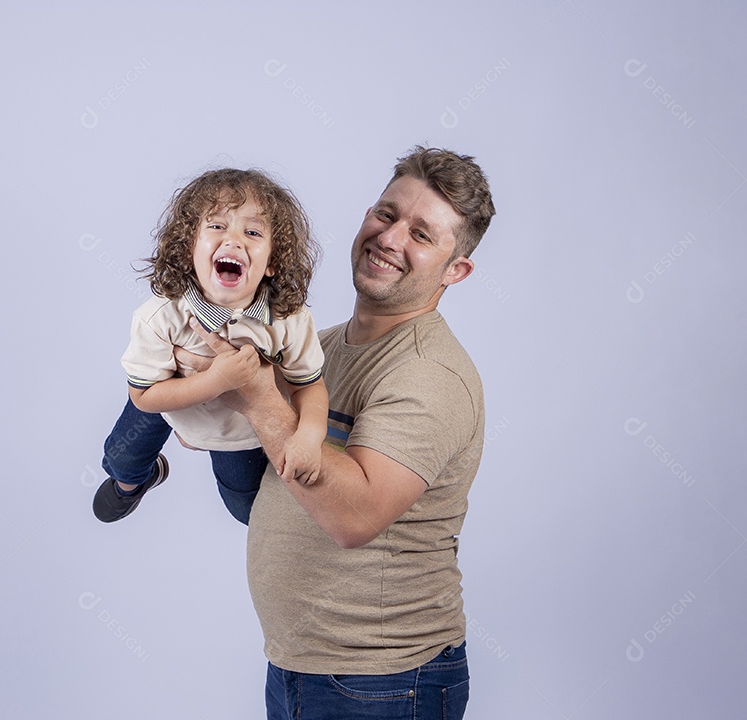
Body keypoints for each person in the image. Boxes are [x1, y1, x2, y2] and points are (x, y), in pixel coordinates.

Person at [184, 147, 495, 719]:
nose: (391, 238)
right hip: (299, 666)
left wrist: (255, 395)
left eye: (421, 234)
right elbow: (268, 490)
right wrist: (211, 401)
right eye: (386, 213)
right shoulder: (319, 350)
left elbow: (352, 518)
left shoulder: (429, 374)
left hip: (384, 681)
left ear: (457, 270)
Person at [92, 168, 328, 525]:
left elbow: (308, 385)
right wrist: (216, 381)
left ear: (272, 262)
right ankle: (137, 481)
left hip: (237, 429)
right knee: (122, 460)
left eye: (252, 232)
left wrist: (310, 435)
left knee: (246, 510)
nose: (233, 241)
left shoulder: (288, 320)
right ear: (189, 248)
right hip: (167, 400)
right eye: (217, 226)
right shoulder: (160, 316)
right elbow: (143, 396)